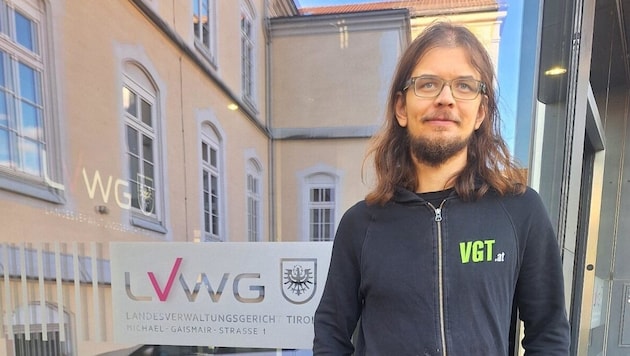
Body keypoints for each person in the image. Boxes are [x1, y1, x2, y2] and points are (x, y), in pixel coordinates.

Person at [312, 21, 570, 355]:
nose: (445, 98)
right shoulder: (360, 225)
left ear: (481, 112)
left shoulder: (520, 211)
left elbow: (548, 333)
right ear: (401, 108)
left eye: (464, 86)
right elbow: (331, 334)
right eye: (428, 84)